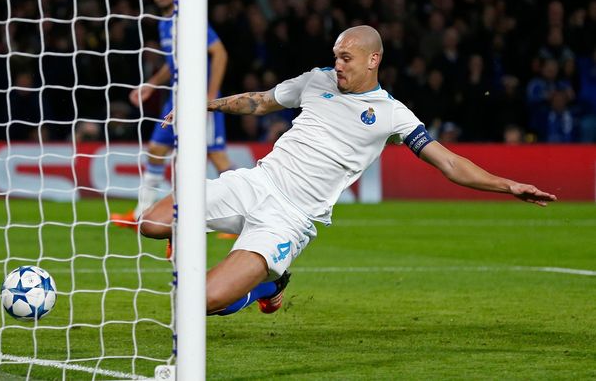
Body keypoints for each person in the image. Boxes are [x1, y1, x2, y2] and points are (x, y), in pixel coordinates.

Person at [141, 25, 557, 316]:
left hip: (289, 219)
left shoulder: (393, 115)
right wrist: (206, 104)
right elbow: (261, 101)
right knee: (151, 223)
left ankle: (269, 285)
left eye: (346, 57)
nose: (337, 64)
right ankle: (202, 238)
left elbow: (448, 163)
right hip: (254, 182)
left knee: (200, 302)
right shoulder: (315, 80)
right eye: (335, 56)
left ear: (373, 59)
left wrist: (509, 185)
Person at [111, 0, 235, 240]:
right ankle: (140, 213)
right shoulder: (163, 23)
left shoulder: (188, 18)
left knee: (218, 158)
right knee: (156, 150)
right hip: (175, 99)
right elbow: (173, 63)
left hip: (198, 98)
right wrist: (152, 85)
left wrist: (210, 97)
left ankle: (242, 218)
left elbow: (220, 52)